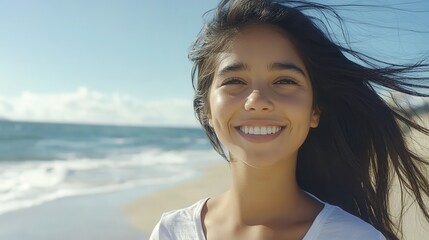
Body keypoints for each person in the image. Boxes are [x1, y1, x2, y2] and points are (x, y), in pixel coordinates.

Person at [149, 0, 429, 239]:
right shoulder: (171, 231)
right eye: (234, 80)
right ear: (207, 110)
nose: (257, 101)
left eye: (284, 80)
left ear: (314, 111)